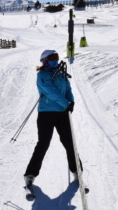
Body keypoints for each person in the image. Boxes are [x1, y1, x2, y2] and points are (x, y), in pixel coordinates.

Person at [24, 49, 82, 188]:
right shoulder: (42, 75)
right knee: (43, 143)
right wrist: (66, 104)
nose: (55, 60)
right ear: (44, 61)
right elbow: (51, 93)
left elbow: (68, 89)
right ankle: (30, 174)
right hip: (46, 113)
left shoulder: (61, 74)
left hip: (62, 113)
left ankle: (77, 171)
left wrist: (71, 102)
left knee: (70, 143)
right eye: (52, 58)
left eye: (56, 57)